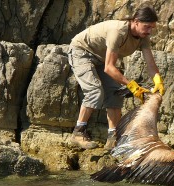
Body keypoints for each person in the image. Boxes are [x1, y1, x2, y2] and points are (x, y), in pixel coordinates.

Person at [67, 3, 164, 150]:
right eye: (147, 27)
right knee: (94, 91)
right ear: (136, 21)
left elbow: (150, 64)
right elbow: (109, 67)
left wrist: (158, 80)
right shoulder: (118, 31)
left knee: (115, 94)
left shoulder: (143, 37)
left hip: (100, 59)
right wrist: (132, 86)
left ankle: (113, 139)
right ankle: (78, 132)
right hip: (82, 52)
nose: (150, 31)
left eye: (152, 28)